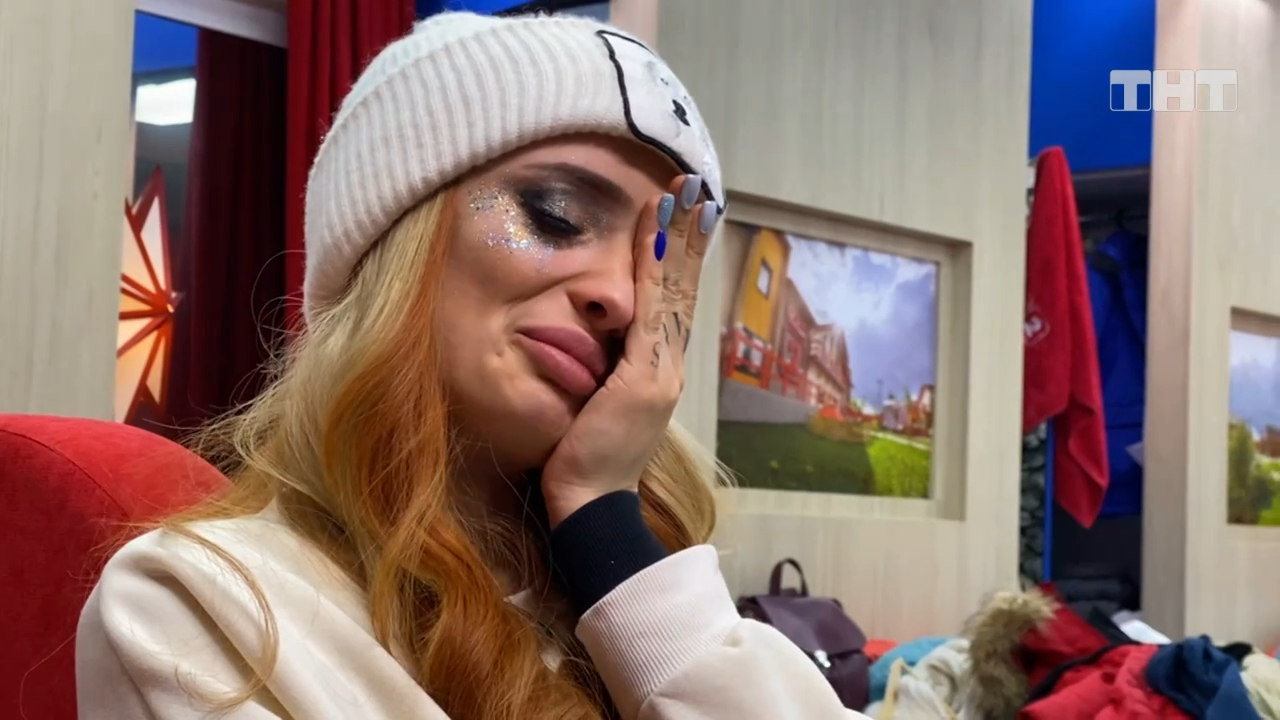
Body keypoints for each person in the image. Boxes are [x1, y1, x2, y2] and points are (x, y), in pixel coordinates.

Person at [76, 11, 870, 720]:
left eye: (655, 263)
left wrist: (609, 534)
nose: (621, 298)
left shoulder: (646, 606)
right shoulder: (199, 607)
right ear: (398, 241)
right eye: (556, 215)